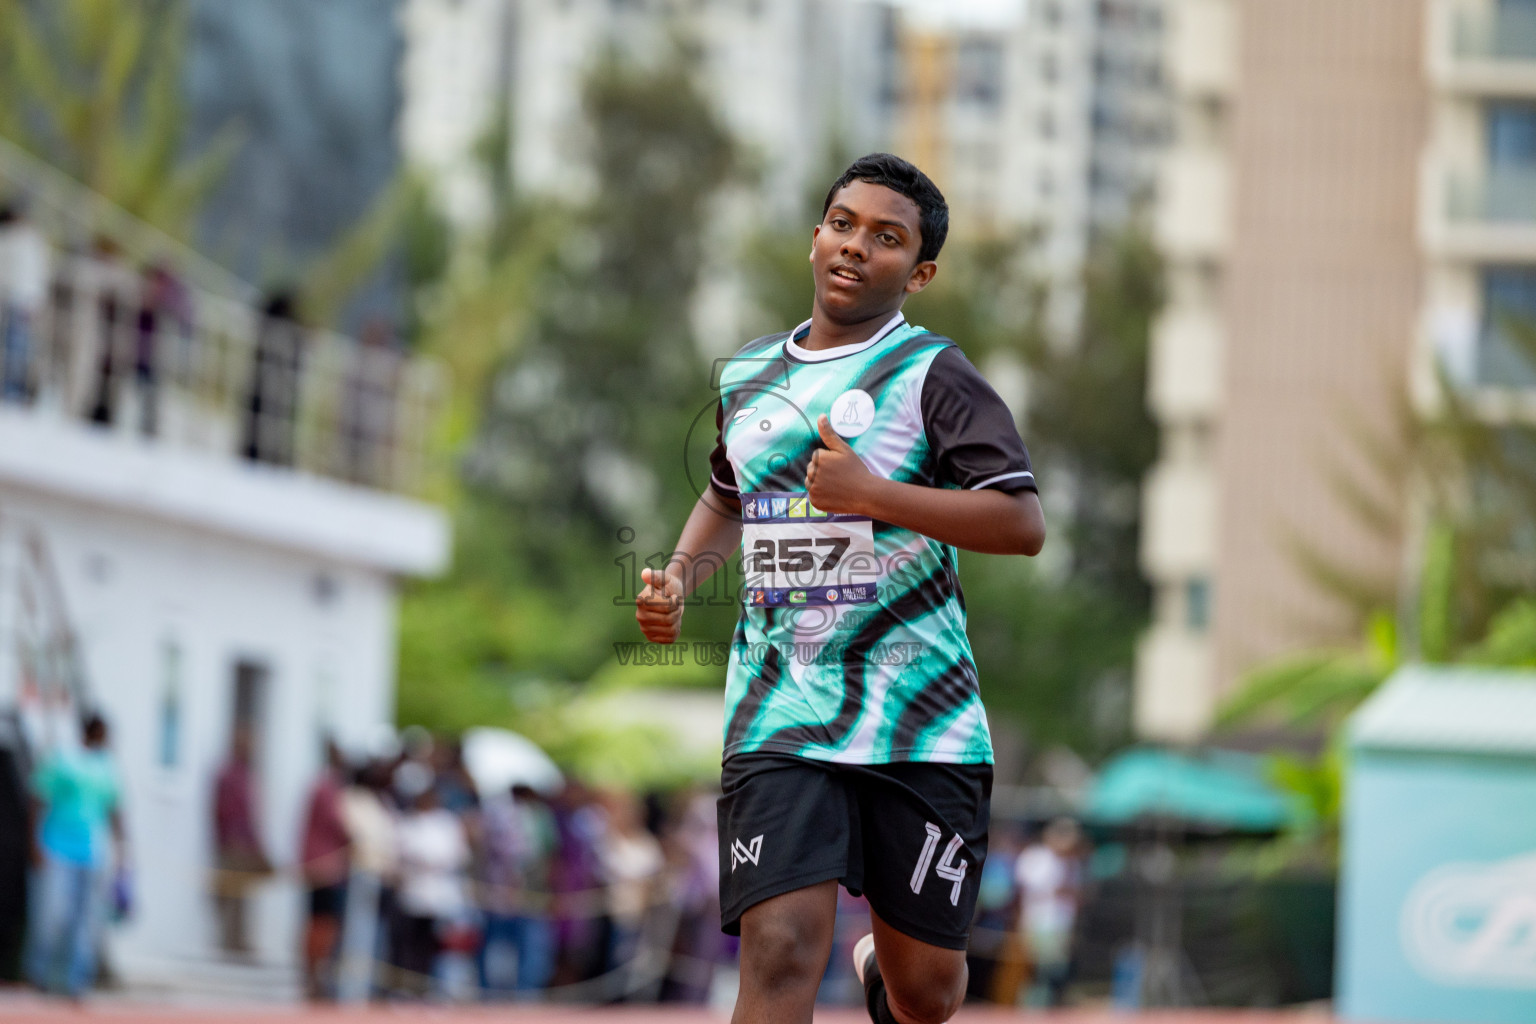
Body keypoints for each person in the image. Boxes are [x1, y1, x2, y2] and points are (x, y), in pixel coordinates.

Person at [635, 153, 1046, 1024]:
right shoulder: (746, 377)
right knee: (779, 951)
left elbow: (1020, 524)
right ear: (816, 236)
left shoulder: (932, 374)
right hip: (781, 711)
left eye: (887, 239)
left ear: (920, 272)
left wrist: (876, 496)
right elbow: (728, 492)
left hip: (918, 719)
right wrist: (678, 577)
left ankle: (884, 969)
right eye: (844, 224)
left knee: (927, 996)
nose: (858, 247)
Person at [26, 713, 125, 998]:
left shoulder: (108, 767)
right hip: (57, 847)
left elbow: (115, 810)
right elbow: (38, 798)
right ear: (93, 732)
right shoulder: (63, 759)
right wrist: (35, 843)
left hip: (92, 853)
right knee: (52, 914)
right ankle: (40, 972)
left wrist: (122, 850)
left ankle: (75, 980)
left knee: (85, 920)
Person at [212, 726, 272, 957]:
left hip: (247, 845)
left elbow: (250, 815)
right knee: (229, 893)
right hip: (232, 844)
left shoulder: (247, 776)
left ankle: (238, 940)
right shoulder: (227, 775)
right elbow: (222, 811)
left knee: (244, 893)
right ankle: (227, 941)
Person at [298, 740, 351, 999]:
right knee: (323, 922)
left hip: (319, 864)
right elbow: (337, 825)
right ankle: (315, 976)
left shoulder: (321, 786)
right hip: (326, 867)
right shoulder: (329, 788)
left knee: (318, 921)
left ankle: (315, 976)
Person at [1014, 818, 1083, 1008]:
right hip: (1039, 923)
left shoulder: (1071, 863)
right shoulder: (1036, 857)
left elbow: (1075, 896)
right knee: (1038, 972)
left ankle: (1049, 1009)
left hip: (1061, 925)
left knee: (1057, 972)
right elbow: (1028, 891)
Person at [0, 200, 52, 403]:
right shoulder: (31, 239)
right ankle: (13, 390)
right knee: (17, 349)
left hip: (18, 299)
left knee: (16, 348)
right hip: (24, 300)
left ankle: (13, 391)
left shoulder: (16, 238)